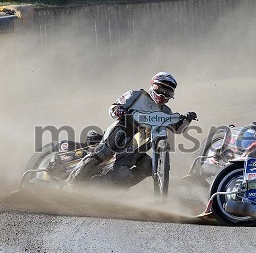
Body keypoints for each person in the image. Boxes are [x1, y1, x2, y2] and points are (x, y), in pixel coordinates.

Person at [66, 72, 197, 187]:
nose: (163, 94)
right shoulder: (136, 95)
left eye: (168, 92)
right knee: (102, 152)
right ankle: (70, 185)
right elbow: (113, 107)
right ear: (153, 85)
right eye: (161, 89)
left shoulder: (166, 111)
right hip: (122, 133)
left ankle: (101, 189)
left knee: (148, 167)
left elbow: (177, 129)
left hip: (138, 147)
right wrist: (118, 110)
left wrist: (187, 120)